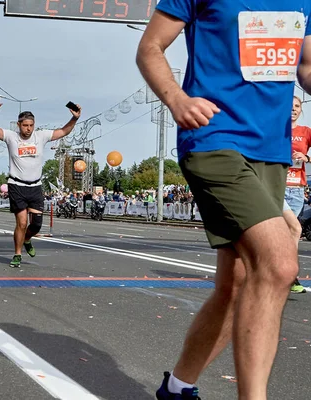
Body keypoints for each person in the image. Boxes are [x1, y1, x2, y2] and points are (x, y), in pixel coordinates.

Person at [137, 2, 311, 399]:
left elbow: (306, 67)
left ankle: (178, 387)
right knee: (280, 263)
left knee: (237, 283)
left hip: (272, 149)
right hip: (213, 140)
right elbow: (150, 47)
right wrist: (177, 100)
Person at [0, 94, 81, 267]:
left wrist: (73, 119)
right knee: (22, 223)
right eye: (25, 126)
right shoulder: (11, 137)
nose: (28, 129)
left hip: (35, 186)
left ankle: (27, 240)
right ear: (19, 125)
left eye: (31, 125)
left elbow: (64, 131)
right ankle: (17, 254)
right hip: (17, 185)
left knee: (36, 225)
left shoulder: (41, 136)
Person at [284, 95, 311, 294]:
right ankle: (290, 275)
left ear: (301, 110)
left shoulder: (306, 132)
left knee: (287, 233)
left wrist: (306, 156)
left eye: (297, 106)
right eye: (290, 105)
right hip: (275, 187)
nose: (293, 109)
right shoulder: (275, 130)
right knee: (294, 229)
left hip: (296, 190)